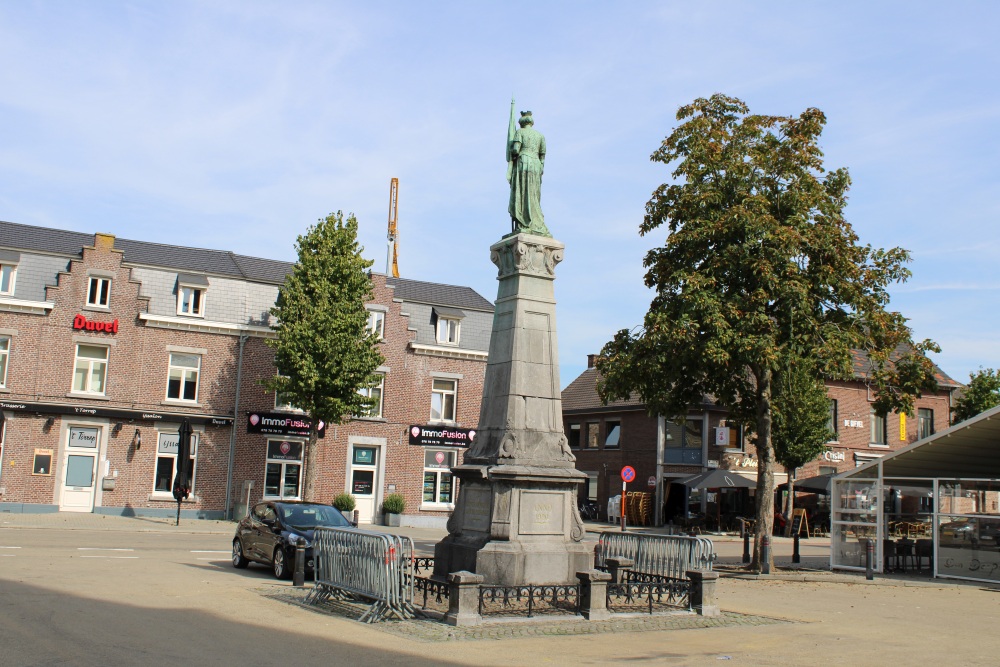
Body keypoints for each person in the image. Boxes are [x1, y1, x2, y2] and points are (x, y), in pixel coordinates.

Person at [507, 110, 550, 236]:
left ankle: (524, 222)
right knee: (534, 195)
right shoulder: (540, 136)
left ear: (521, 123)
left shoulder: (519, 132)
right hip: (536, 166)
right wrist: (540, 167)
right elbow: (543, 155)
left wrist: (511, 151)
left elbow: (515, 150)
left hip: (523, 163)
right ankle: (536, 222)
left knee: (522, 192)